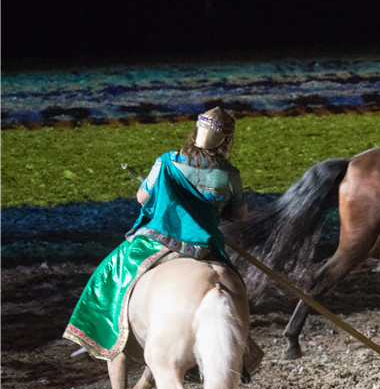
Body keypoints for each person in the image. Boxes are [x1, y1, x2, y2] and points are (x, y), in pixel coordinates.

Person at [64, 107, 256, 372]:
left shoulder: (166, 163)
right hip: (204, 247)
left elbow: (142, 198)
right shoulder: (230, 175)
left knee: (110, 271)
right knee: (235, 289)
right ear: (226, 141)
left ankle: (99, 331)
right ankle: (243, 354)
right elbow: (240, 215)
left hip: (158, 240)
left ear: (196, 132)